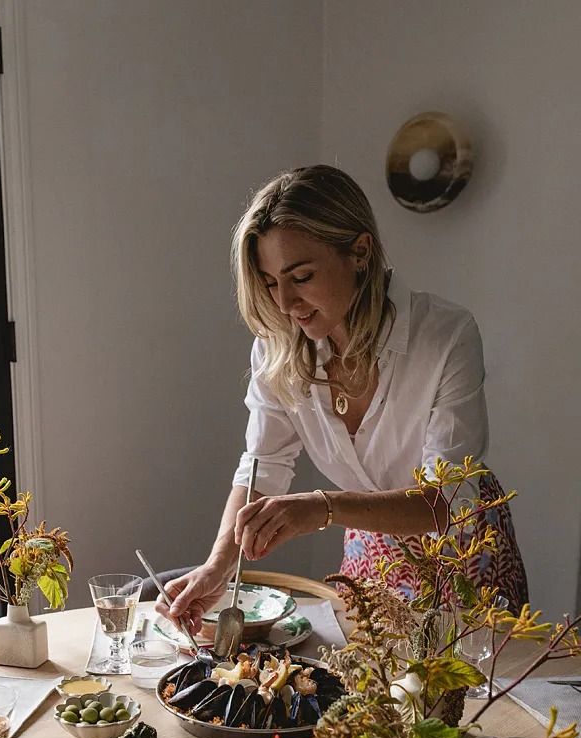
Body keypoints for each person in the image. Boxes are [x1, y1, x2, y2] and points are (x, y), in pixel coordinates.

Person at [156, 164, 527, 632]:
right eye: (271, 282)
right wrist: (218, 565)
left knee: (465, 695)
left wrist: (321, 506)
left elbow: (446, 504)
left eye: (302, 276)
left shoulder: (446, 337)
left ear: (359, 253)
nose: (285, 302)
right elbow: (262, 466)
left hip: (459, 547)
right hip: (368, 545)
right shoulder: (278, 347)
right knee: (371, 692)